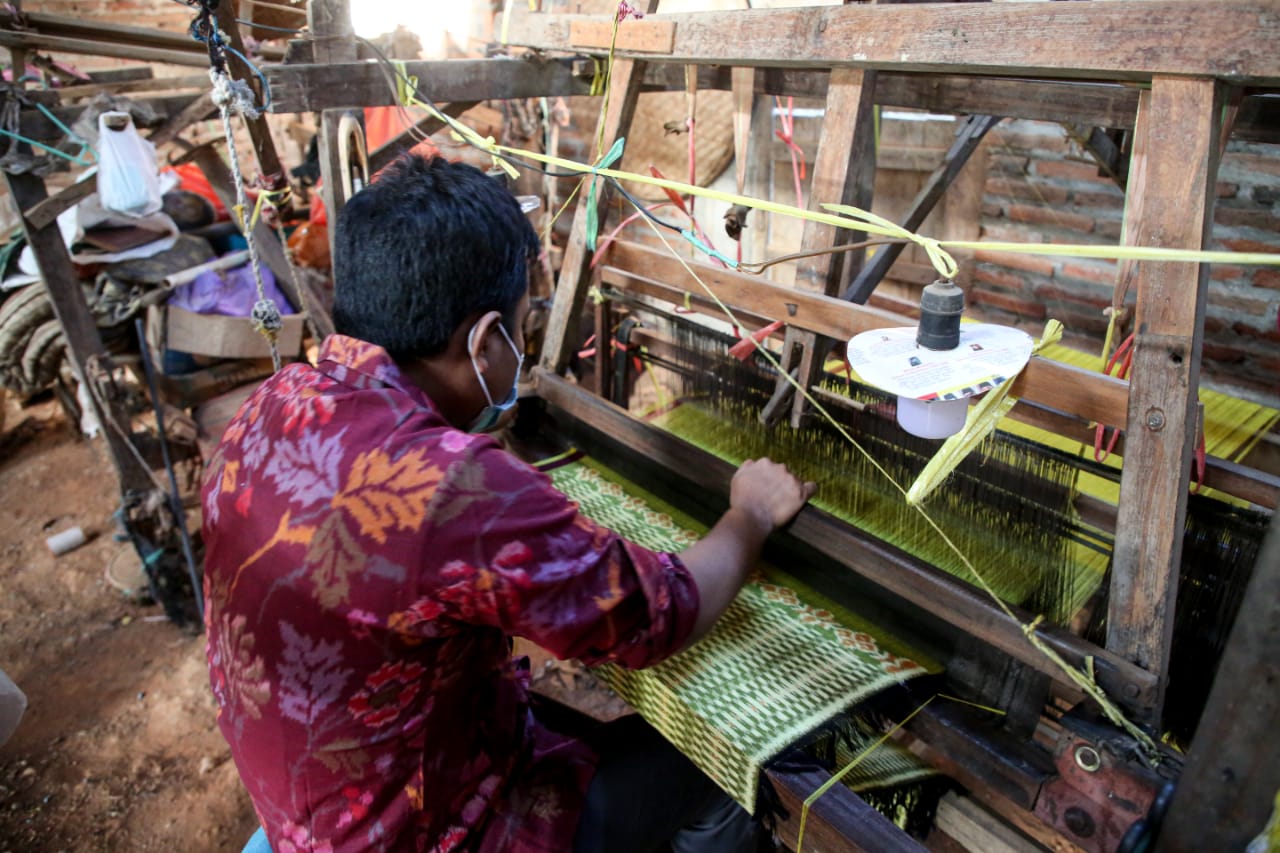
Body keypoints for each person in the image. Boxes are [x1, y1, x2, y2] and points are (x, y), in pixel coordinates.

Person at [202, 153, 815, 853]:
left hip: (314, 810)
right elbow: (661, 614)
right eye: (525, 323)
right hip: (425, 833)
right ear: (486, 341)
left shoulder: (267, 405)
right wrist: (752, 513)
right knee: (734, 768)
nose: (522, 344)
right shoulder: (450, 484)